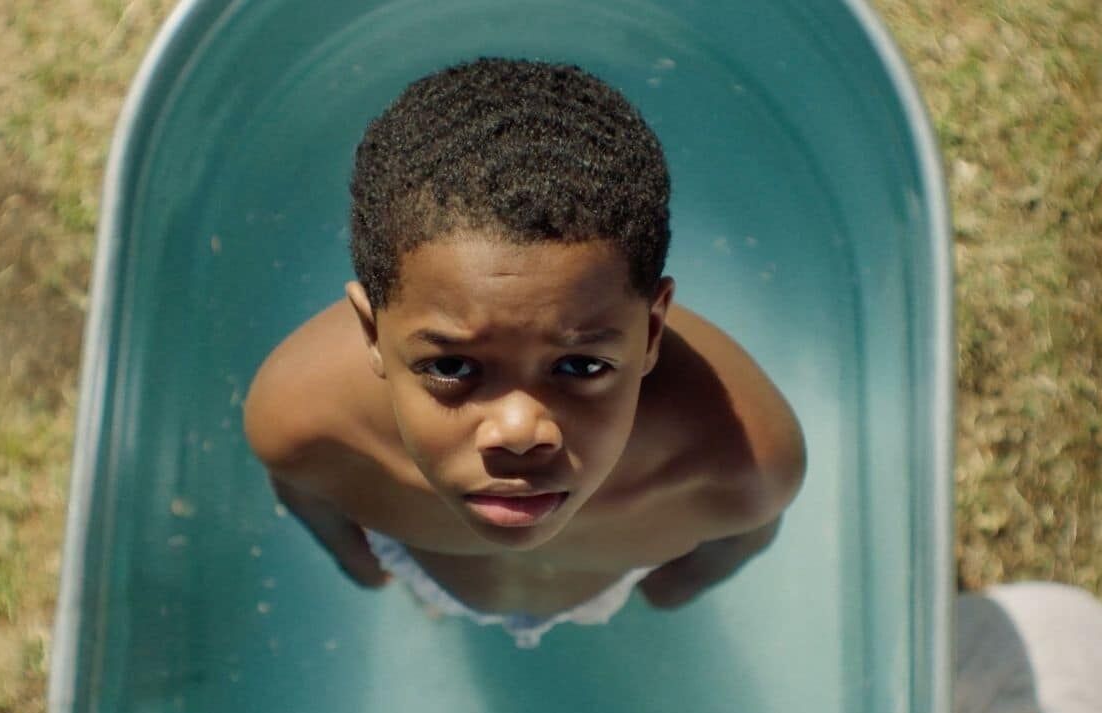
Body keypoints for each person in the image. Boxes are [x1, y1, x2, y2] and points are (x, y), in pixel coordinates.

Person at [243, 58, 805, 648]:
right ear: (371, 334)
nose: (517, 430)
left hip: (595, 589)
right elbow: (311, 499)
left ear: (653, 330)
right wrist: (360, 565)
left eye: (582, 366)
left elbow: (738, 541)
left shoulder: (741, 463)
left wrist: (669, 591)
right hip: (434, 573)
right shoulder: (302, 425)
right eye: (452, 367)